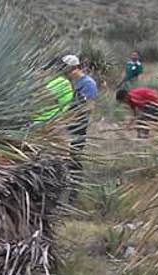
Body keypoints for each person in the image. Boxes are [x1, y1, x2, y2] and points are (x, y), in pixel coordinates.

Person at [64, 54, 98, 187]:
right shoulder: (72, 82)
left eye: (67, 69)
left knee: (75, 153)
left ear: (73, 68)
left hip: (79, 123)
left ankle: (76, 183)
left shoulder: (88, 83)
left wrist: (75, 114)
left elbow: (90, 107)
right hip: (69, 120)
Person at [33, 58, 75, 124]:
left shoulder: (59, 82)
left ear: (52, 69)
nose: (42, 72)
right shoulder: (62, 81)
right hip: (54, 118)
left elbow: (43, 99)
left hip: (47, 120)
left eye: (45, 69)